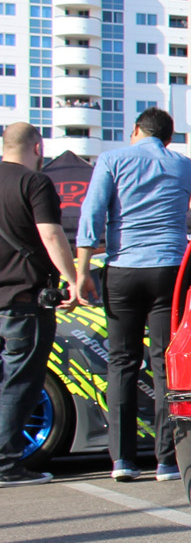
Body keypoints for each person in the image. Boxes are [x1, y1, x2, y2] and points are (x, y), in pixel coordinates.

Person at [75, 107, 191, 480]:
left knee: (122, 363)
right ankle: (166, 461)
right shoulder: (183, 166)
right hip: (169, 270)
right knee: (163, 364)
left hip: (125, 268)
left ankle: (122, 460)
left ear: (137, 129)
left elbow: (92, 214)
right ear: (168, 138)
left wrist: (80, 272)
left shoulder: (111, 160)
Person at [0, 123, 79, 486]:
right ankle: (6, 463)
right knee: (20, 382)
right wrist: (72, 277)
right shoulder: (35, 182)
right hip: (23, 300)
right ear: (38, 147)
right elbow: (50, 233)